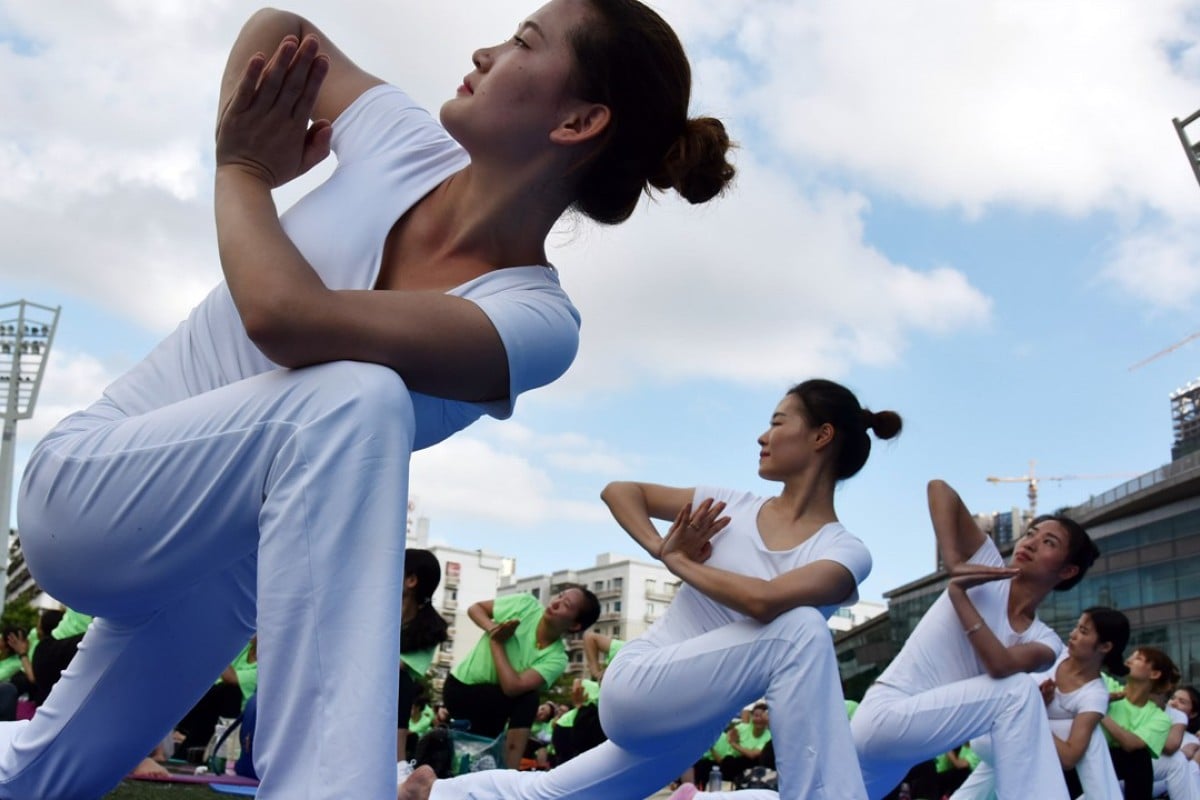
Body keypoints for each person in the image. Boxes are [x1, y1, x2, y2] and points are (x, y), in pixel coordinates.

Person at [6, 1, 735, 797]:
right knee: (360, 396)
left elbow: (289, 319)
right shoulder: (404, 141)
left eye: (524, 41)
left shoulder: (533, 320)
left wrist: (242, 168)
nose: (486, 51)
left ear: (578, 120)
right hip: (86, 494)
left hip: (218, 572)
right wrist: (248, 127)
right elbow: (277, 28)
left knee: (45, 777)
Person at [401, 378, 901, 800]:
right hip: (640, 685)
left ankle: (430, 791)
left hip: (691, 726)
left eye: (778, 421)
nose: (762, 436)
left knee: (555, 793)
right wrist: (662, 546)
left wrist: (679, 560)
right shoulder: (729, 506)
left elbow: (763, 601)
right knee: (800, 629)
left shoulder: (843, 551)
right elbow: (621, 491)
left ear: (822, 436)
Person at [851, 480, 1099, 800]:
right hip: (884, 719)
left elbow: (1001, 665)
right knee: (1020, 692)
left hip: (902, 756)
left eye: (1048, 541)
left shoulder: (1046, 641)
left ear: (1067, 571)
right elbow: (940, 489)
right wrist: (953, 562)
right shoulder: (987, 565)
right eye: (1031, 532)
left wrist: (959, 595)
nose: (1032, 542)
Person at [950, 606, 1131, 800]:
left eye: (1083, 631)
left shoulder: (1093, 694)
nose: (1073, 634)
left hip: (1010, 747)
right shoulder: (1054, 652)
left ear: (1105, 647)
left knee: (978, 785)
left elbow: (1069, 758)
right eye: (1077, 627)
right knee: (1089, 736)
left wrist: (1035, 712)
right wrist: (1035, 707)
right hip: (992, 733)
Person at [443, 585, 600, 768]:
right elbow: (475, 609)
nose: (556, 603)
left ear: (574, 625)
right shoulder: (526, 605)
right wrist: (493, 628)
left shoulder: (556, 658)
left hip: (494, 705)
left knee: (526, 698)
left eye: (565, 604)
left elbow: (512, 687)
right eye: (559, 596)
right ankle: (508, 772)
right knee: (527, 700)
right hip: (461, 689)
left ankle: (503, 774)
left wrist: (497, 642)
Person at [1102, 647, 1178, 800]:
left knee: (1140, 757)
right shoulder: (1105, 684)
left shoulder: (1159, 718)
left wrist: (1097, 711)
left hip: (1118, 766)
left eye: (1137, 659)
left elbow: (1131, 744)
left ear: (1154, 674)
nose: (1128, 660)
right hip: (1086, 755)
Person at [398, 550, 450, 769]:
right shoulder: (375, 610)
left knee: (401, 682)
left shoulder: (430, 630)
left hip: (394, 697)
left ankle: (398, 773)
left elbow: (391, 667)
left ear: (411, 580)